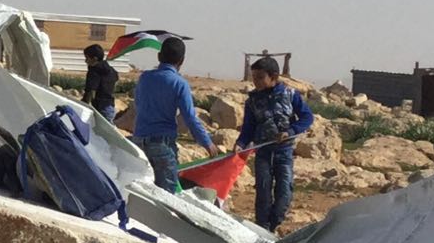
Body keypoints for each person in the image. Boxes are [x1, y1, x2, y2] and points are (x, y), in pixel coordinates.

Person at [238, 55, 315, 232]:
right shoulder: (252, 101)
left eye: (260, 77)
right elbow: (248, 127)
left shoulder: (290, 95)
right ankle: (263, 229)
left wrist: (291, 131)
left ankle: (273, 224)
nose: (255, 81)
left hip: (284, 152)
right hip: (263, 152)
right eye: (254, 77)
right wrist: (241, 143)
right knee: (263, 192)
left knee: (284, 194)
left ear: (273, 77)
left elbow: (307, 117)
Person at [132, 37, 219, 193]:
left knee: (143, 191)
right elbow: (190, 118)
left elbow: (138, 104)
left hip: (139, 141)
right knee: (167, 194)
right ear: (182, 61)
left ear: (159, 56)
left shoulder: (144, 78)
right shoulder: (179, 83)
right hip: (162, 144)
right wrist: (207, 142)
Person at [82, 44, 118, 121]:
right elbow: (116, 80)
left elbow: (91, 91)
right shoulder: (111, 70)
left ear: (94, 59)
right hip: (110, 107)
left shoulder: (94, 71)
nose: (85, 61)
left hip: (100, 109)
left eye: (87, 58)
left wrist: (84, 104)